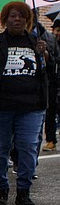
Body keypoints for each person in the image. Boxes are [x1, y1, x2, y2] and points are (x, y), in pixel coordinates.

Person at [0, 1, 50, 205]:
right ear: (5, 19)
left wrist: (44, 55)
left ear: (28, 20)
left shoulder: (36, 43)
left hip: (31, 108)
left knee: (28, 149)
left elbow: (50, 71)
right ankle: (1, 189)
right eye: (12, 16)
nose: (17, 19)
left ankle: (24, 192)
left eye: (21, 16)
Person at [43, 17, 60, 151]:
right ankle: (51, 140)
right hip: (52, 82)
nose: (58, 33)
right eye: (57, 30)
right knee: (50, 111)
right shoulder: (50, 41)